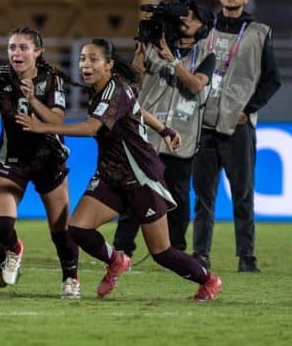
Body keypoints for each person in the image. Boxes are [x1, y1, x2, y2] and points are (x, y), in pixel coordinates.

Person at [17, 38, 223, 302]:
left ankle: (208, 280)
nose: (85, 65)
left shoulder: (113, 91)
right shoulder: (108, 88)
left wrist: (41, 127)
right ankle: (117, 261)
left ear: (109, 65)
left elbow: (92, 127)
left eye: (93, 59)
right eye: (82, 59)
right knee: (78, 229)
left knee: (161, 252)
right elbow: (138, 109)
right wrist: (164, 129)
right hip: (112, 175)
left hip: (141, 176)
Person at [0, 27, 80, 299]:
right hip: (13, 159)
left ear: (38, 52)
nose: (16, 53)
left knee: (61, 229)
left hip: (48, 160)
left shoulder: (51, 80)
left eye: (23, 47)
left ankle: (70, 278)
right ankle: (14, 249)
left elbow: (58, 122)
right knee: (0, 224)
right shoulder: (0, 75)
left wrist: (33, 101)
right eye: (12, 47)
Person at [192, 0, 281, 273]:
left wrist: (249, 109)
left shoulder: (259, 32)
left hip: (238, 126)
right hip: (203, 124)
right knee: (203, 197)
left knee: (242, 195)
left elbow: (272, 80)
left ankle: (246, 257)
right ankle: (200, 255)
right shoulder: (205, 29)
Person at [113, 4, 215, 259]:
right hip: (147, 132)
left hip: (182, 135)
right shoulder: (153, 47)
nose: (186, 19)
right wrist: (140, 51)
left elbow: (195, 86)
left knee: (178, 194)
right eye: (185, 14)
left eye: (194, 17)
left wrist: (171, 59)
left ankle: (175, 249)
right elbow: (133, 82)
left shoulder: (206, 54)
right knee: (134, 189)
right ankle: (122, 247)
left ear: (202, 26)